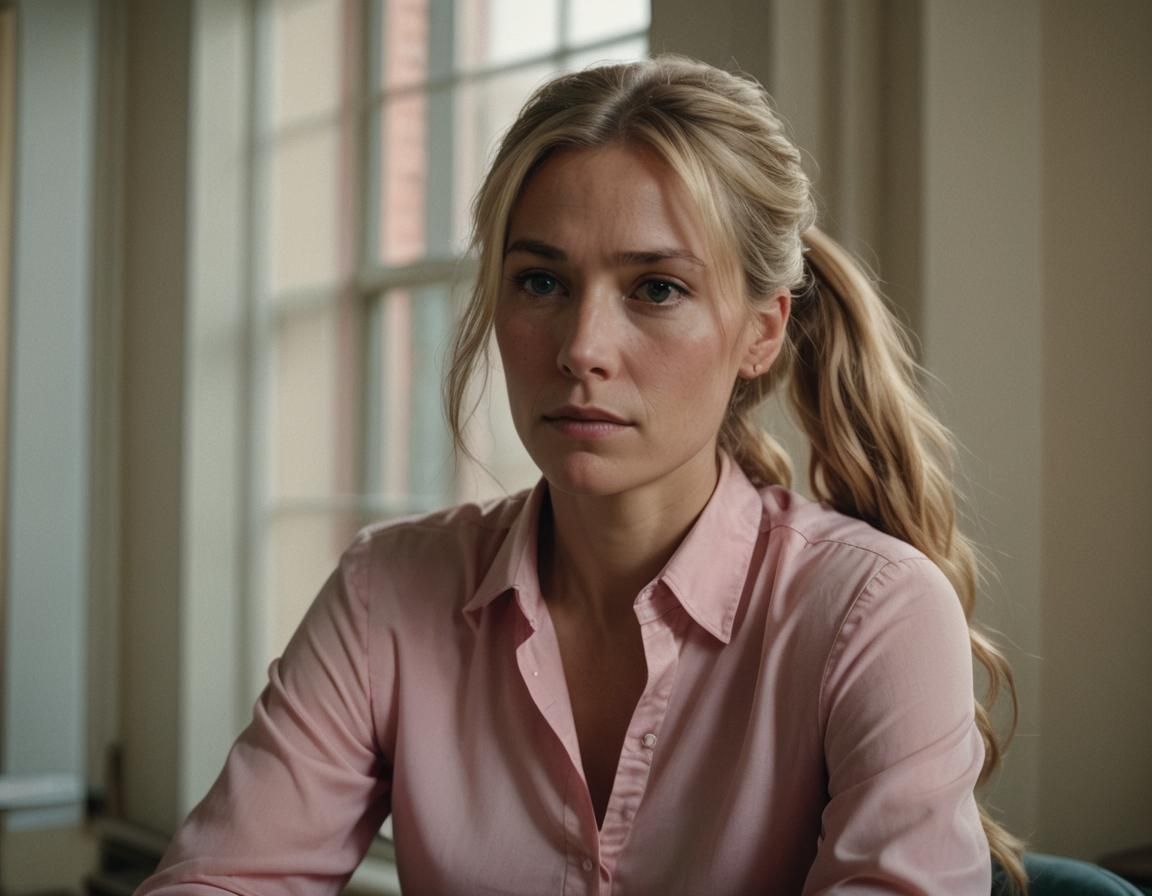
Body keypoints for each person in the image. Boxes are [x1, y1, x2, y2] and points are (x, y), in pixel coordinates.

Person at [138, 56, 1024, 895]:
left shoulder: (873, 614)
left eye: (657, 290)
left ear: (761, 331)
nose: (580, 349)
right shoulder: (387, 595)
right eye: (540, 282)